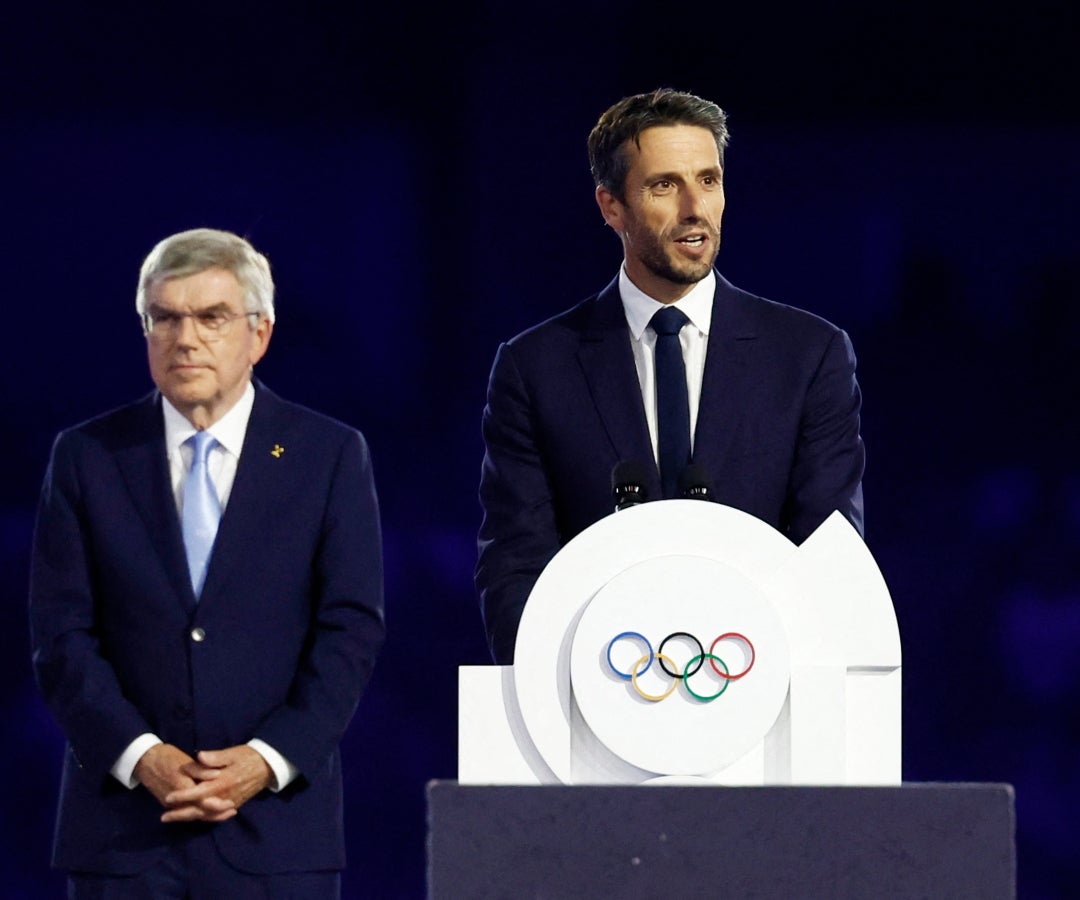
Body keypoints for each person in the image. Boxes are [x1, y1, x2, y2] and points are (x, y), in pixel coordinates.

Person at [29, 228, 385, 896]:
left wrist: (264, 760)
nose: (185, 338)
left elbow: (351, 630)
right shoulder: (87, 457)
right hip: (123, 836)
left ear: (260, 334)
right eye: (164, 318)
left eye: (211, 317)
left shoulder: (328, 455)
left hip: (276, 833)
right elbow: (60, 638)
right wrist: (143, 757)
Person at [476, 89, 865, 665]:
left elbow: (829, 558)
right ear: (612, 207)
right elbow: (515, 570)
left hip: (764, 705)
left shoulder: (809, 356)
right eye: (665, 185)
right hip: (596, 706)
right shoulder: (537, 367)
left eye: (708, 180)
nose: (694, 208)